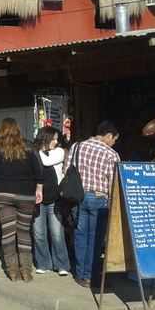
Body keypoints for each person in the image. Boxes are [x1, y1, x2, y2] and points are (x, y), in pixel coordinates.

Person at [0, 118, 44, 282]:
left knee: (8, 233)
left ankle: (11, 270)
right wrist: (39, 190)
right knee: (24, 232)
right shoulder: (29, 146)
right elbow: (39, 169)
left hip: (3, 195)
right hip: (26, 194)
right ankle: (26, 270)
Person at [65, 121, 120, 288]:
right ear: (109, 136)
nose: (114, 143)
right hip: (99, 198)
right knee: (95, 240)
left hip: (78, 197)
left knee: (80, 237)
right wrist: (114, 204)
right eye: (114, 140)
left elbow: (67, 170)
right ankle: (91, 276)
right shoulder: (111, 154)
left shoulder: (76, 147)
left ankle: (80, 274)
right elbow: (113, 183)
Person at [31, 126, 70, 276]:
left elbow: (46, 161)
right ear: (45, 138)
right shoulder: (36, 152)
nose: (56, 141)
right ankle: (43, 263)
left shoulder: (58, 152)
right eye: (53, 139)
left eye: (56, 139)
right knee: (39, 233)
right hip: (38, 199)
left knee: (57, 233)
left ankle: (61, 264)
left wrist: (37, 149)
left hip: (55, 198)